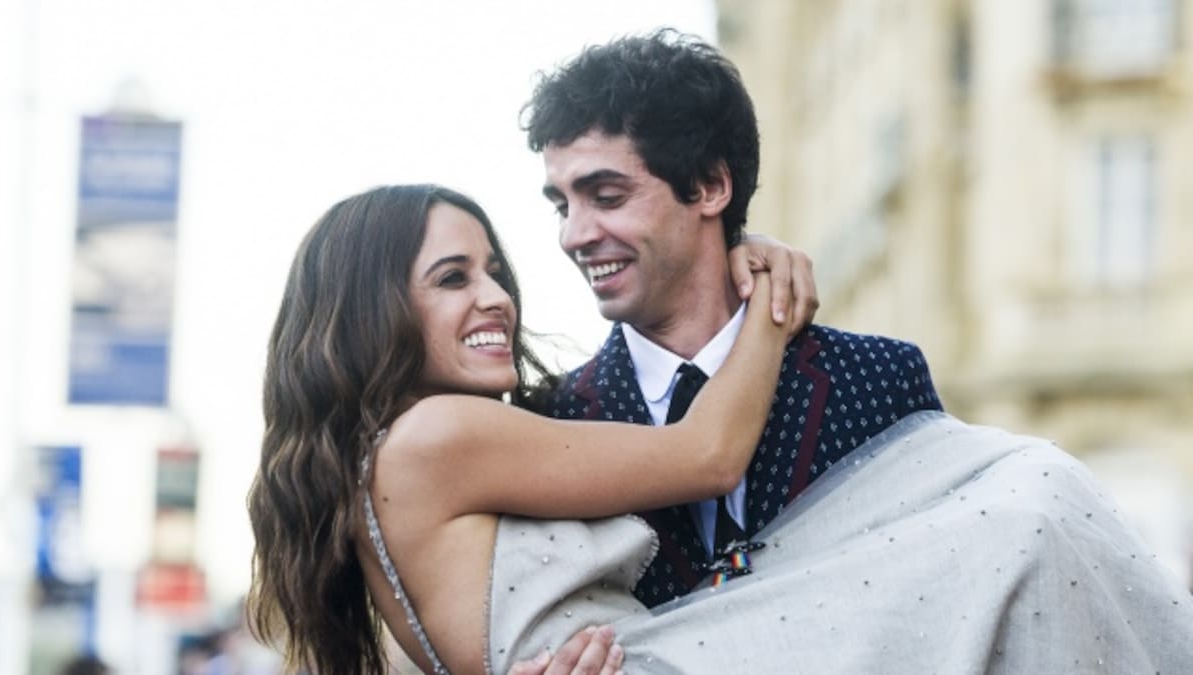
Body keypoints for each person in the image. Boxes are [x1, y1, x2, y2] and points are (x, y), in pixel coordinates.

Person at [248, 184, 1193, 675]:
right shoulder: (435, 439)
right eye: (452, 278)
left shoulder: (393, 462)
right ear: (373, 308)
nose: (496, 295)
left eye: (493, 268)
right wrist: (769, 303)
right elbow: (705, 454)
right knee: (1029, 514)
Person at [521, 29, 941, 610]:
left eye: (607, 197)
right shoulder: (549, 421)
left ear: (711, 186)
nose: (574, 235)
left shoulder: (880, 380)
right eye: (563, 206)